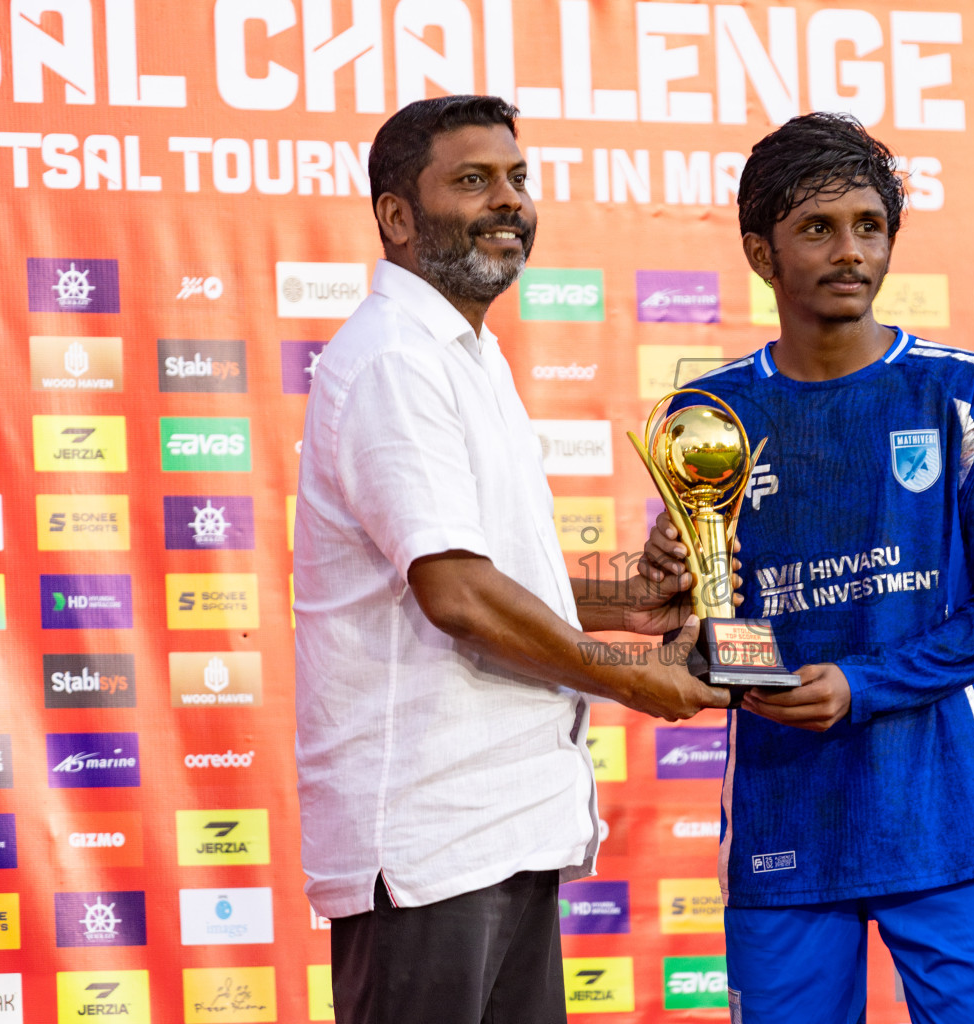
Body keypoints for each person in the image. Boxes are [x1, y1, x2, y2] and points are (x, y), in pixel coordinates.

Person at [292, 95, 729, 1024]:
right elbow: (458, 596)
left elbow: (489, 570)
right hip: (429, 842)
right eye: (473, 179)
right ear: (396, 216)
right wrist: (634, 675)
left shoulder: (468, 356)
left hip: (504, 826)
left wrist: (632, 600)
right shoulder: (393, 361)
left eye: (518, 180)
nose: (508, 201)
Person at [641, 112, 974, 1024]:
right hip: (787, 824)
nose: (850, 250)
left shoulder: (958, 391)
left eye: (869, 225)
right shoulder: (711, 411)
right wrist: (684, 597)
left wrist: (860, 685)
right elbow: (705, 635)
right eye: (817, 229)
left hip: (943, 819)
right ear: (759, 250)